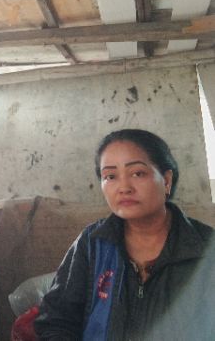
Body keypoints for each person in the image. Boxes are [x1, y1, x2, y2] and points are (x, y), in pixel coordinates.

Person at [34, 129, 214, 340]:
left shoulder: (206, 250)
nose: (124, 187)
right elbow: (57, 320)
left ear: (166, 181)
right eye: (110, 176)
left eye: (138, 173)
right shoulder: (93, 244)